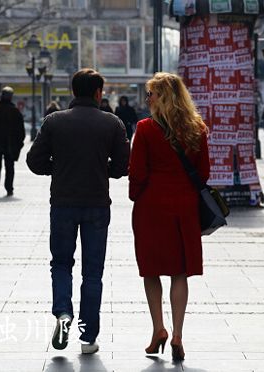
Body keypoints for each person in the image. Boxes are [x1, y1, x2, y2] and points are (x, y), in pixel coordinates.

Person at [26, 69, 130, 354]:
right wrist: (102, 170)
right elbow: (123, 167)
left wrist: (57, 168)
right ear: (99, 93)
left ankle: (62, 312)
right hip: (97, 204)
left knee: (61, 264)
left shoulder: (54, 121)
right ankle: (88, 337)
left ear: (73, 91)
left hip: (62, 203)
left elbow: (34, 161)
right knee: (93, 271)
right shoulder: (112, 123)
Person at [128, 72, 210, 362]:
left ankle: (158, 329)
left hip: (152, 206)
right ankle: (178, 333)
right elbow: (203, 173)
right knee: (179, 271)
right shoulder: (197, 128)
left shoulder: (146, 129)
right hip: (184, 207)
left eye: (151, 94)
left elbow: (136, 171)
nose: (147, 98)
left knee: (151, 270)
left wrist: (135, 194)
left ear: (163, 97)